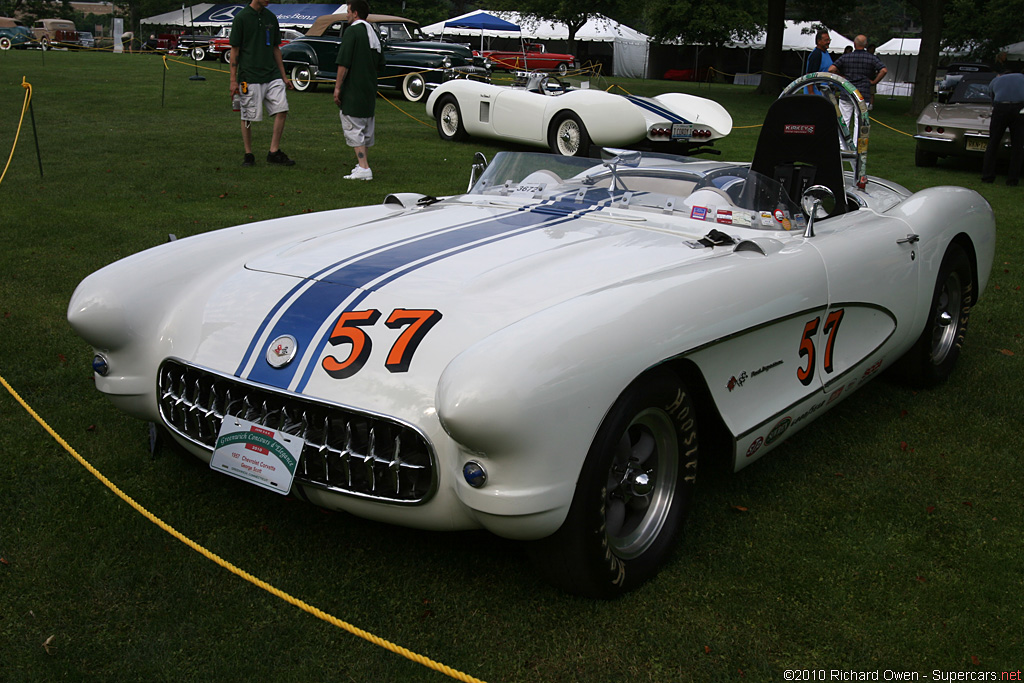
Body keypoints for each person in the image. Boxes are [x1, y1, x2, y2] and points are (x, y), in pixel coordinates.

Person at [229, 0, 295, 167]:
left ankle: (273, 151)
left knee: (282, 109)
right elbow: (235, 50)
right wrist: (233, 80)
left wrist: (284, 76)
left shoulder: (271, 18)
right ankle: (248, 154)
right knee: (248, 116)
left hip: (272, 74)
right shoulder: (241, 18)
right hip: (249, 76)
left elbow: (275, 48)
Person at [333, 0, 385, 181]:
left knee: (353, 127)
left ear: (355, 13)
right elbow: (380, 63)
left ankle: (364, 167)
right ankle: (362, 164)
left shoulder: (352, 32)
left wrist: (338, 87)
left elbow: (344, 62)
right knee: (365, 127)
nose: (347, 14)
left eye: (348, 11)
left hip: (354, 88)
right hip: (369, 88)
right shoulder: (374, 33)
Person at [981, 65, 1024, 185]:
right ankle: (1013, 179)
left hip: (1000, 108)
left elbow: (992, 96)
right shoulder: (1022, 78)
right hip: (1018, 108)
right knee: (1018, 146)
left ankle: (987, 176)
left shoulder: (997, 79)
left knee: (993, 142)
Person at [829, 35, 887, 110]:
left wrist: (841, 77)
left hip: (847, 90)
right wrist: (874, 82)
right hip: (863, 92)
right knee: (860, 119)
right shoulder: (872, 58)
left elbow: (831, 69)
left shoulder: (846, 57)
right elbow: (884, 70)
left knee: (844, 119)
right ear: (866, 44)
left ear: (854, 44)